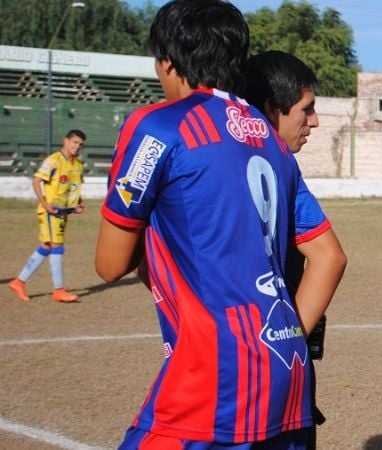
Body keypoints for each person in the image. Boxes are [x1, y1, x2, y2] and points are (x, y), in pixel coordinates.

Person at [94, 1, 346, 448]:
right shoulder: (272, 140)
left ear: (168, 62)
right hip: (287, 362)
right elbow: (329, 255)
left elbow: (110, 265)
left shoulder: (157, 125)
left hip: (216, 370)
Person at [244, 50, 339, 450]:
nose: (314, 121)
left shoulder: (209, 158)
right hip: (276, 360)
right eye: (307, 109)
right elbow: (330, 256)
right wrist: (289, 336)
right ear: (271, 108)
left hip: (233, 361)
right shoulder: (279, 163)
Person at [8, 129, 86, 303]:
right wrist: (44, 204)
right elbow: (36, 181)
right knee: (57, 247)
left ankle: (18, 282)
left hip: (64, 212)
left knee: (46, 246)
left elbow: (74, 187)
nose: (77, 146)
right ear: (65, 141)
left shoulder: (77, 164)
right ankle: (59, 290)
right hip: (51, 211)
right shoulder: (53, 160)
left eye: (80, 144)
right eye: (74, 142)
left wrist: (78, 203)